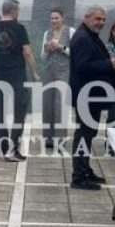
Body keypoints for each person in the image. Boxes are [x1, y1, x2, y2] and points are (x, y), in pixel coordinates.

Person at [70, 6, 115, 191]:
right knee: (84, 134)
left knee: (88, 134)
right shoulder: (83, 38)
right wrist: (109, 63)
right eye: (97, 19)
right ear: (87, 17)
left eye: (104, 19)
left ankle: (84, 169)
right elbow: (83, 66)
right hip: (86, 96)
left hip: (92, 96)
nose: (101, 23)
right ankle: (79, 176)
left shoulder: (89, 35)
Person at [0, 0, 37, 161]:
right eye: (18, 10)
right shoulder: (20, 28)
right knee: (19, 111)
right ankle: (12, 150)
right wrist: (34, 73)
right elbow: (27, 52)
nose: (18, 13)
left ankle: (2, 149)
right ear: (13, 10)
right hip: (17, 74)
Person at [39, 8, 74, 153]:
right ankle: (48, 138)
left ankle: (60, 139)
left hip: (64, 71)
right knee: (47, 104)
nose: (54, 21)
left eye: (56, 18)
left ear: (62, 18)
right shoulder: (47, 33)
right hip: (48, 71)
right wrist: (47, 48)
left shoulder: (71, 32)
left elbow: (76, 53)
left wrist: (61, 47)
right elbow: (42, 56)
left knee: (60, 105)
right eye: (52, 18)